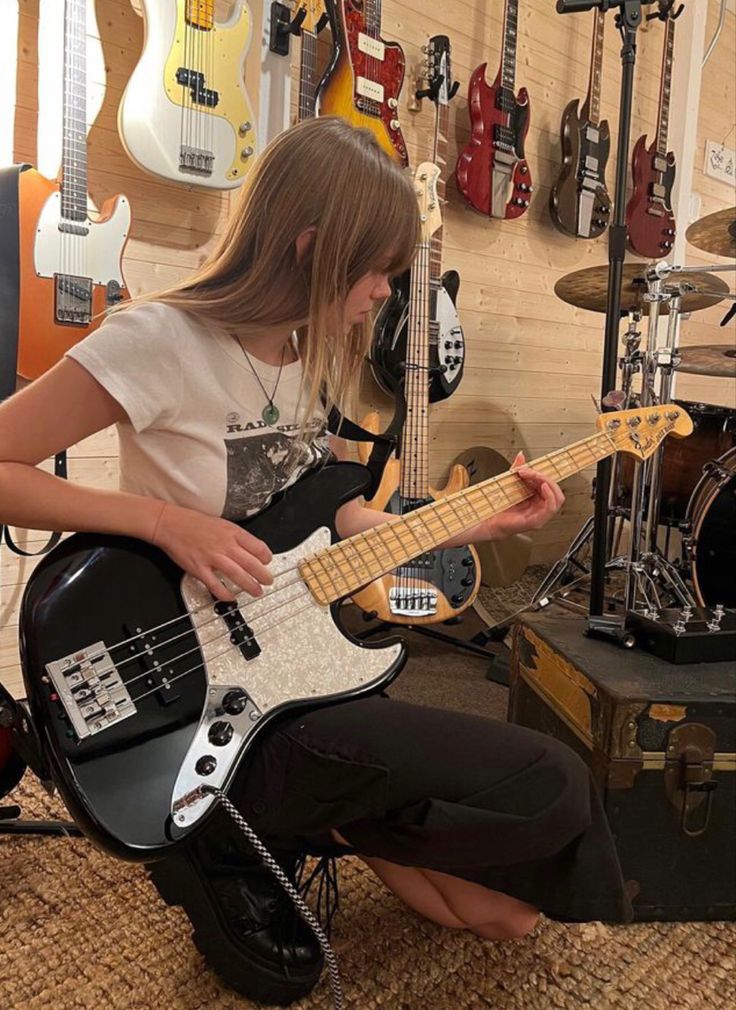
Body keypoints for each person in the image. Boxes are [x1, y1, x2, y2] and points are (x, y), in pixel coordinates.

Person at [0, 117, 632, 1006]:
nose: (382, 293)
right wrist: (160, 522)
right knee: (552, 780)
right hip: (193, 684)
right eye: (375, 270)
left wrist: (469, 525)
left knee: (500, 915)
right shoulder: (160, 340)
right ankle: (227, 832)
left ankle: (277, 821)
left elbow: (329, 519)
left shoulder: (307, 356)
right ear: (311, 247)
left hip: (296, 659)